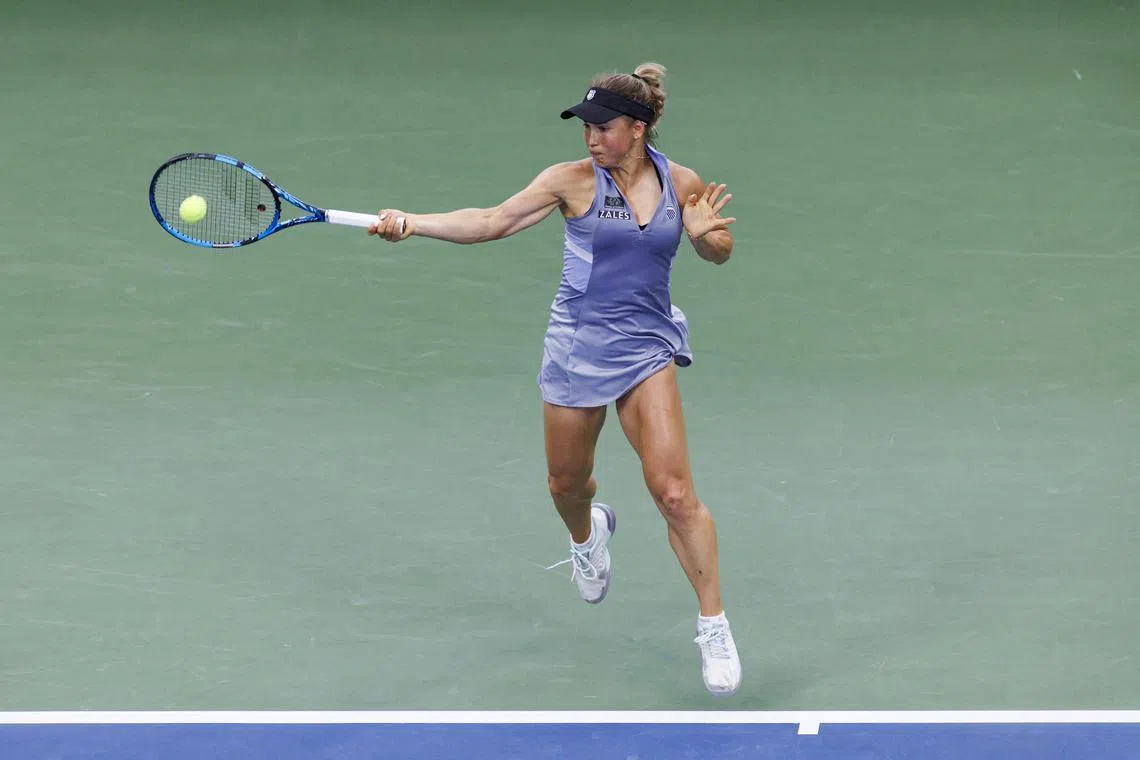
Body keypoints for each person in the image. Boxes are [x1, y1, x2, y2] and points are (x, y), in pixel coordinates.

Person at [367, 62, 741, 696]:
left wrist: (707, 241)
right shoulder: (568, 182)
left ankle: (714, 625)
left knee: (674, 492)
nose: (592, 138)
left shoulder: (682, 183)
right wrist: (415, 222)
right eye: (585, 126)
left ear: (640, 128)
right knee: (567, 484)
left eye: (605, 126)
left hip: (647, 345)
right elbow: (492, 221)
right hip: (577, 346)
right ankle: (587, 531)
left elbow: (718, 249)